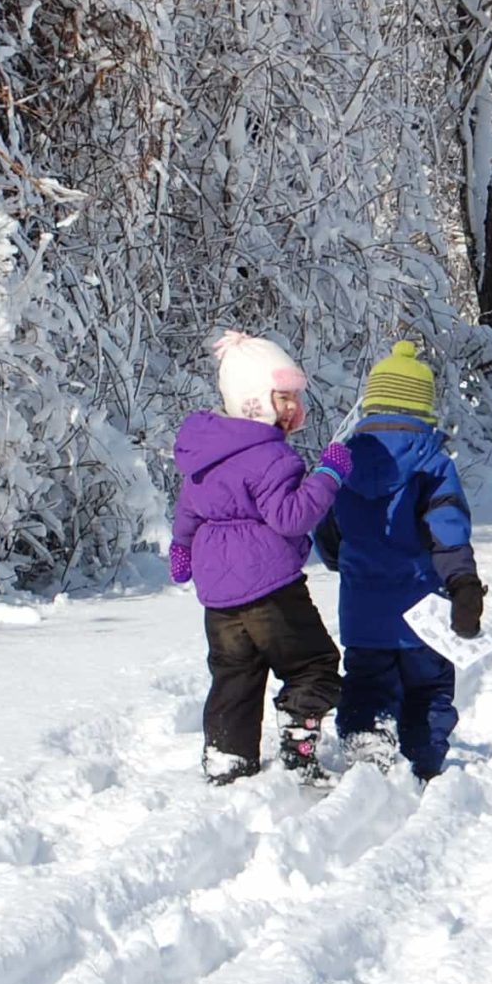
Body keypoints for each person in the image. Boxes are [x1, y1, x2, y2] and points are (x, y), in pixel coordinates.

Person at [168, 330, 353, 785]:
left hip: (218, 595)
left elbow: (189, 509)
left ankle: (228, 756)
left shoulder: (206, 454)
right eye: (284, 397)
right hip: (272, 591)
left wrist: (181, 548)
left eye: (295, 397)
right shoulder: (272, 457)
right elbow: (290, 517)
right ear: (256, 402)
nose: (294, 407)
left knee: (235, 675)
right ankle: (298, 744)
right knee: (314, 666)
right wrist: (329, 473)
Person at [315, 341, 485, 780]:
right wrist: (463, 584)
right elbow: (447, 533)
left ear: (370, 401)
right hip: (422, 613)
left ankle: (367, 745)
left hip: (363, 611)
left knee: (367, 683)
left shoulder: (343, 461)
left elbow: (327, 535)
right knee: (427, 687)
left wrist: (346, 560)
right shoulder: (432, 464)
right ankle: (424, 758)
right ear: (423, 406)